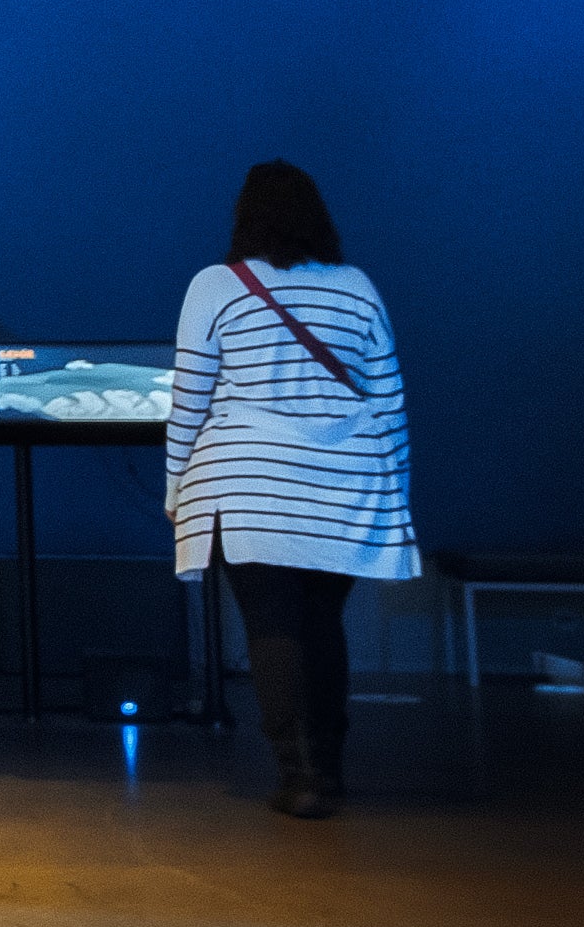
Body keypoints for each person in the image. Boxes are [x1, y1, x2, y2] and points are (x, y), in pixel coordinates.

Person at [165, 159, 413, 820]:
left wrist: (175, 484)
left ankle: (296, 772)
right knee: (323, 624)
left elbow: (188, 398)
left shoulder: (215, 286)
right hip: (344, 485)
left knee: (272, 624)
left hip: (247, 483)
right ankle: (329, 766)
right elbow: (388, 400)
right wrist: (397, 491)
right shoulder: (356, 286)